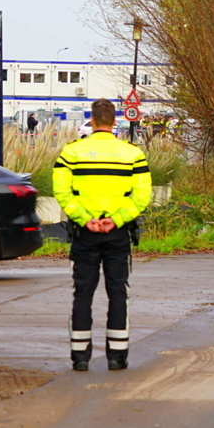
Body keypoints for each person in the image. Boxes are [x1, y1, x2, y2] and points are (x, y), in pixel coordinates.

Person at [53, 98, 152, 371]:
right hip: (118, 234)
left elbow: (62, 192)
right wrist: (115, 219)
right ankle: (117, 357)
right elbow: (142, 195)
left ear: (93, 122)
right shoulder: (132, 154)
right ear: (114, 123)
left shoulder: (71, 153)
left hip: (85, 235)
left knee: (82, 293)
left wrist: (86, 219)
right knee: (118, 292)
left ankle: (80, 357)